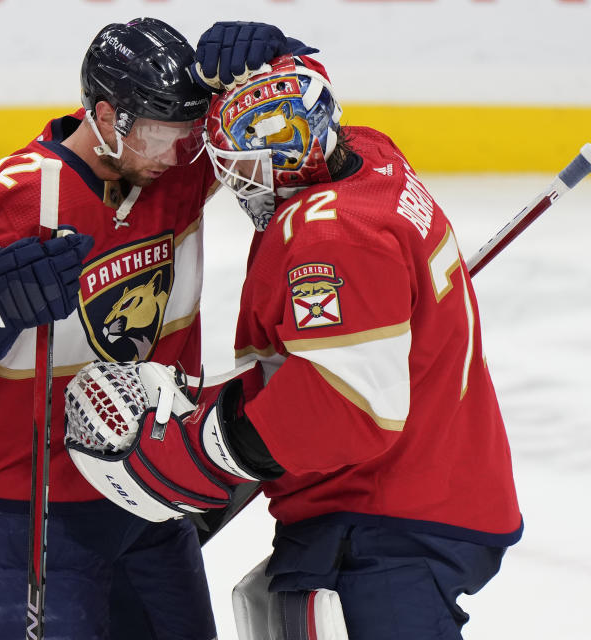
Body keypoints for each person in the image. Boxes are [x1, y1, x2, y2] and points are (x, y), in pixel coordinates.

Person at [63, 42, 523, 640]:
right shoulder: (369, 157)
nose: (234, 182)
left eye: (243, 167)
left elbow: (345, 406)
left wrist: (212, 447)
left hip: (386, 520)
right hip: (421, 483)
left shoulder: (334, 240)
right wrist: (283, 60)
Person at [0, 18, 304, 640]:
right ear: (107, 118)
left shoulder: (178, 164)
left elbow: (282, 134)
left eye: (187, 133)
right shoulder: (19, 196)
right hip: (29, 504)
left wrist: (278, 67)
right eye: (164, 134)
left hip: (151, 482)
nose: (179, 152)